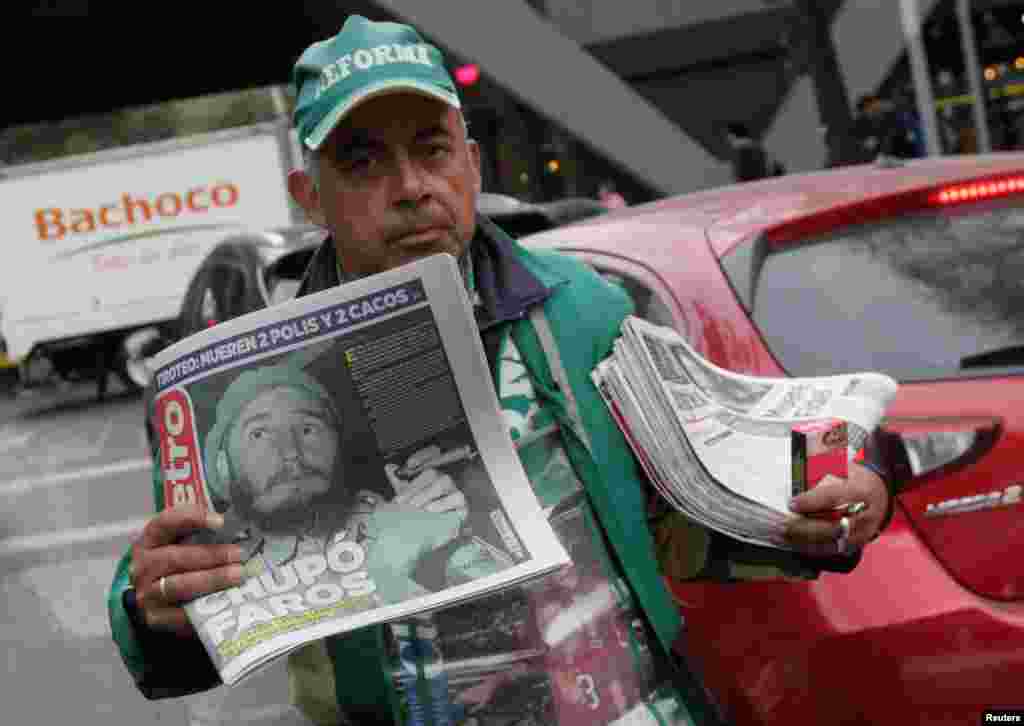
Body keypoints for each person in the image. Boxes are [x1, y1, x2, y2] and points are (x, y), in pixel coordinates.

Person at [109, 15, 895, 724]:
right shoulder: (255, 383)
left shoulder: (584, 310)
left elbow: (692, 501)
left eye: (431, 149)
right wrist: (153, 612)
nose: (411, 187)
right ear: (310, 197)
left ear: (472, 165)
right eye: (363, 160)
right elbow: (186, 607)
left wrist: (842, 496)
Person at [194, 361, 492, 603]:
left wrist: (445, 541)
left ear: (336, 443)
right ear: (223, 466)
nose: (291, 453)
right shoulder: (209, 567)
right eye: (259, 434)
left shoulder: (389, 515)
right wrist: (386, 566)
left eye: (308, 428)